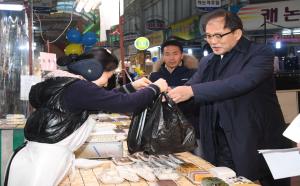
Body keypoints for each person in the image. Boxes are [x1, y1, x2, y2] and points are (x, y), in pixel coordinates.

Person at [5, 48, 168, 186]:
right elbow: (125, 104)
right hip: (45, 164)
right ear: (93, 69)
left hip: (36, 157)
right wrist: (155, 87)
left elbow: (103, 99)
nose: (107, 81)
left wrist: (132, 87)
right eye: (108, 75)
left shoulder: (66, 83)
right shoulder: (79, 88)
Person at [167, 9, 291, 186]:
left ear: (237, 33)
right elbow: (190, 88)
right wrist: (167, 93)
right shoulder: (208, 61)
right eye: (208, 36)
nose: (213, 42)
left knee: (266, 179)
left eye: (219, 35)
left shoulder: (260, 54)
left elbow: (239, 83)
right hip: (218, 139)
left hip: (256, 137)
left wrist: (191, 91)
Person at [149, 40, 202, 156]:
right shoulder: (155, 76)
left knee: (198, 159)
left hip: (191, 124)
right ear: (163, 56)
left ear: (181, 55)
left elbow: (198, 98)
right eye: (167, 54)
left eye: (175, 53)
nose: (171, 58)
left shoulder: (193, 74)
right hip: (164, 128)